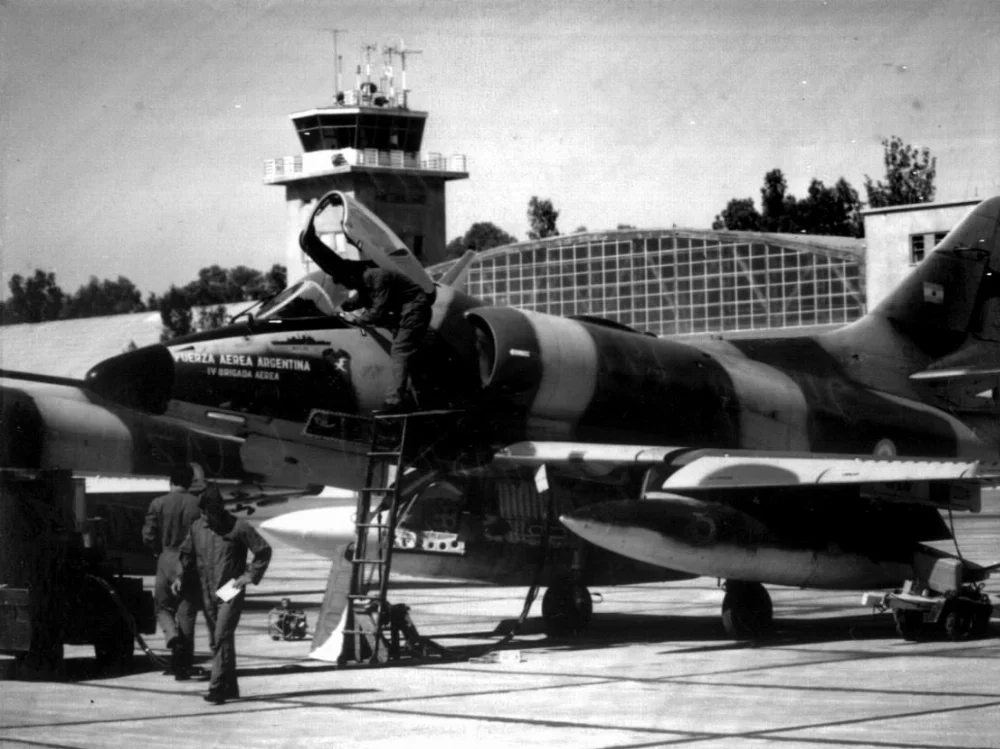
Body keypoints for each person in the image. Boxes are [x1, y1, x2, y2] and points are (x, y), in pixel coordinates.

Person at [300, 223, 435, 413]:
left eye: (346, 281)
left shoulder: (379, 277)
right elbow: (363, 297)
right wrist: (348, 306)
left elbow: (377, 310)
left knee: (400, 350)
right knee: (401, 352)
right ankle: (416, 396)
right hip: (404, 310)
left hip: (415, 308)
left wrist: (358, 319)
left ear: (352, 276)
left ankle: (395, 402)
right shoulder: (366, 279)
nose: (347, 285)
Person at [175, 485, 272, 704]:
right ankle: (230, 686)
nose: (205, 519)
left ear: (217, 510)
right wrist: (180, 576)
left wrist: (250, 575)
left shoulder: (239, 527)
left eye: (208, 514)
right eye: (202, 514)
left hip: (230, 589)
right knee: (218, 641)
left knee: (221, 637)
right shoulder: (197, 527)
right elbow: (186, 555)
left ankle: (217, 688)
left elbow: (263, 550)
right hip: (206, 590)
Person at [142, 463, 203, 680]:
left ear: (171, 481)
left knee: (162, 607)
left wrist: (158, 552)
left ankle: (173, 639)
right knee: (187, 613)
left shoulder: (157, 503)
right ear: (190, 481)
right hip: (190, 561)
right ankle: (184, 663)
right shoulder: (198, 504)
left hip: (165, 558)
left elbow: (148, 535)